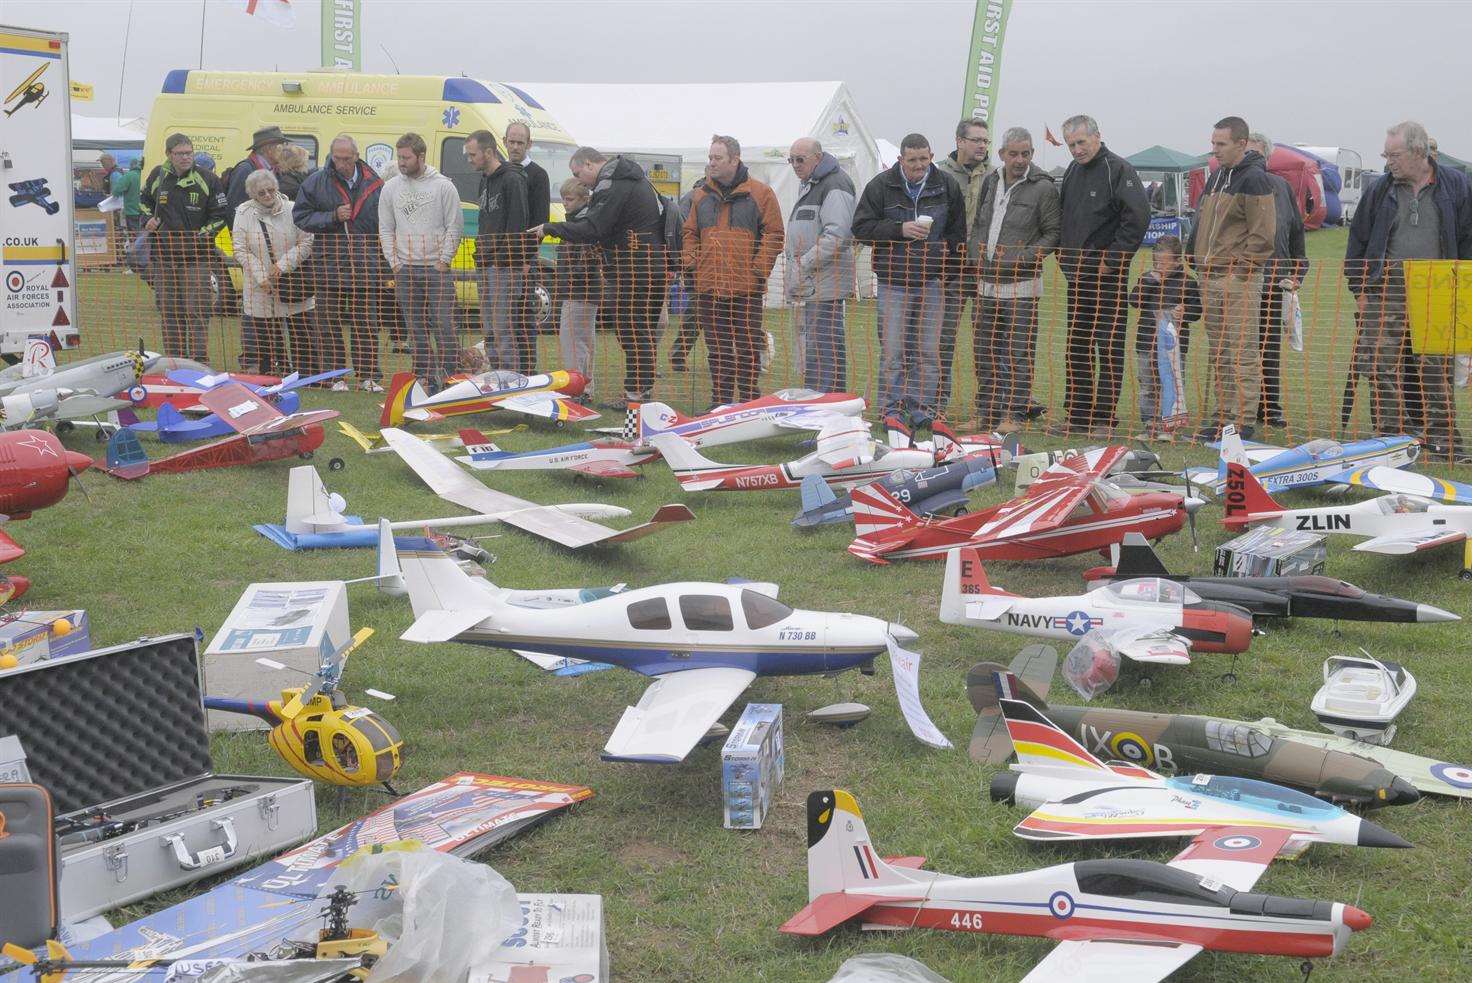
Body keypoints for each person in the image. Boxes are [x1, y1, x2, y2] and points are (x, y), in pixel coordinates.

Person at [1346, 120, 1472, 462]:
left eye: (1395, 154)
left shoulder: (1457, 185)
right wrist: (1358, 286)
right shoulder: (1379, 190)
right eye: (1386, 154)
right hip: (1385, 287)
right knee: (1379, 367)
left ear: (1419, 153)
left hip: (1439, 287)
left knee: (1436, 370)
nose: (1389, 161)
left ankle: (1444, 442)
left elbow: (1467, 238)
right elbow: (1357, 240)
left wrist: (1463, 286)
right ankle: (1389, 441)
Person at [534, 146, 665, 404]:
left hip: (635, 268)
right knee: (636, 331)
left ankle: (636, 396)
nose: (580, 181)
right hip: (646, 265)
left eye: (577, 172)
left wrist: (550, 228)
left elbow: (594, 227)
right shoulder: (630, 179)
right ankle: (638, 392)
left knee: (633, 331)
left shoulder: (612, 184)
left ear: (589, 165)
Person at [852, 132, 966, 425]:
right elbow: (861, 227)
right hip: (893, 283)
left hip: (932, 283)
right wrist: (899, 230)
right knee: (893, 353)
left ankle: (922, 411)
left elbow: (958, 235)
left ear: (931, 156)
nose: (919, 165)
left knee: (928, 352)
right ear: (900, 159)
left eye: (924, 159)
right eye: (912, 160)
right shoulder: (880, 186)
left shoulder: (947, 186)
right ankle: (891, 410)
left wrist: (944, 264)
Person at [1058, 114, 1150, 433]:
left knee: (1108, 344)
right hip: (1077, 275)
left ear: (1097, 136)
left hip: (1107, 277)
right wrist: (1064, 257)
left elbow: (1137, 218)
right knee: (1077, 345)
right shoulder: (1072, 171)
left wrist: (1112, 260)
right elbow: (1064, 216)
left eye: (1081, 142)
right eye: (1071, 144)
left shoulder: (1119, 169)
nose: (1077, 150)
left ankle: (1105, 417)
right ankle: (1078, 414)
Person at [1188, 115, 1276, 440]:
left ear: (1241, 143)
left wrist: (1241, 271)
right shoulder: (1216, 178)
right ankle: (1223, 415)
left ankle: (1242, 419)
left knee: (1241, 351)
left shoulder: (1254, 179)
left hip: (1237, 279)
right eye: (1213, 143)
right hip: (1209, 276)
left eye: (1221, 144)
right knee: (1220, 351)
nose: (1215, 150)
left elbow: (1263, 236)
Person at [682, 135, 784, 407]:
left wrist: (757, 271)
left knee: (748, 347)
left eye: (717, 158)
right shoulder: (700, 195)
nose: (711, 163)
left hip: (746, 288)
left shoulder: (761, 194)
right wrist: (692, 262)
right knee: (718, 349)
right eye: (710, 158)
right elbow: (690, 232)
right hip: (709, 286)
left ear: (734, 159)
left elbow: (774, 235)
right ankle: (721, 402)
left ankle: (749, 402)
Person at [971, 126, 1059, 432]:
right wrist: (975, 255)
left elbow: (1052, 234)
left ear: (1033, 154)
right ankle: (986, 413)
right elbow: (980, 223)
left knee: (1018, 353)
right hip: (986, 285)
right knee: (985, 351)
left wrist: (1021, 259)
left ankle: (1016, 414)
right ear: (1002, 155)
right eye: (1014, 154)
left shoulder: (1044, 187)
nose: (1020, 160)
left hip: (1022, 287)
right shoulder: (990, 181)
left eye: (1026, 153)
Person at [294, 134, 387, 392]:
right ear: (331, 155)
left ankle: (368, 376)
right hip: (328, 266)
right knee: (328, 323)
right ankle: (335, 376)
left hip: (364, 265)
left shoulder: (375, 184)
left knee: (365, 323)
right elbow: (300, 217)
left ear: (356, 156)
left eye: (347, 159)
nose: (342, 163)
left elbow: (384, 223)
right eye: (337, 158)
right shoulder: (315, 181)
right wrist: (332, 216)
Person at [378, 132, 462, 390]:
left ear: (421, 156)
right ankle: (424, 376)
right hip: (405, 269)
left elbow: (454, 225)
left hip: (436, 268)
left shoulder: (443, 186)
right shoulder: (390, 188)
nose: (402, 162)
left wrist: (444, 260)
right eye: (399, 157)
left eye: (407, 157)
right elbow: (385, 227)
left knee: (444, 324)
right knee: (415, 327)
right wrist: (394, 262)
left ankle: (449, 375)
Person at [140, 132, 228, 359]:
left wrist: (199, 237)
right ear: (169, 154)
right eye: (180, 154)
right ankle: (174, 362)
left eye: (189, 153)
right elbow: (142, 203)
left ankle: (198, 362)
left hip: (197, 260)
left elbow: (220, 216)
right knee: (169, 314)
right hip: (164, 259)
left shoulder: (208, 178)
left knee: (197, 312)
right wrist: (147, 219)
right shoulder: (157, 176)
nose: (185, 158)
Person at [784, 137, 855, 393]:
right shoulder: (811, 184)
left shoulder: (834, 185)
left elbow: (838, 236)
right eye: (791, 159)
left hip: (825, 285)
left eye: (800, 159)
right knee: (813, 349)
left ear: (818, 157)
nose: (794, 164)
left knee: (824, 349)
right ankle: (817, 402)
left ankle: (827, 404)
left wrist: (804, 263)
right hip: (812, 285)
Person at [1245, 133, 1308, 428]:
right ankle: (1241, 407)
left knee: (1269, 348)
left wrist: (1297, 272)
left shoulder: (1282, 188)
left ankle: (1270, 407)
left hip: (1274, 280)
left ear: (1267, 159)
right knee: (1240, 346)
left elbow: (1295, 233)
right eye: (1248, 153)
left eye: (1257, 154)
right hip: (1241, 281)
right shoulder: (1230, 184)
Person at [233, 169, 316, 376]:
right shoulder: (243, 213)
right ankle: (269, 372)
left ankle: (306, 373)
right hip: (258, 285)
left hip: (293, 280)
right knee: (265, 332)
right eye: (261, 193)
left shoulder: (293, 208)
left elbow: (307, 240)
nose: (268, 195)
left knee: (301, 330)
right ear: (252, 194)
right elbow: (240, 249)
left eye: (271, 190)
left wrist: (283, 265)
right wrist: (262, 276)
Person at [465, 129, 533, 374]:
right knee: (490, 327)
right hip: (484, 262)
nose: (469, 159)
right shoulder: (485, 179)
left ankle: (509, 378)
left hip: (504, 266)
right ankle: (495, 374)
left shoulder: (512, 179)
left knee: (503, 326)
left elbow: (517, 224)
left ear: (489, 152)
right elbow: (485, 220)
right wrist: (480, 255)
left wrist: (502, 258)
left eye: (473, 154)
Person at [935, 118, 991, 411]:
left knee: (986, 342)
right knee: (942, 339)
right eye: (976, 139)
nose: (982, 145)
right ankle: (938, 401)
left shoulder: (995, 175)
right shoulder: (940, 174)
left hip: (985, 270)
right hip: (949, 271)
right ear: (959, 141)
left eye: (985, 140)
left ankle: (988, 406)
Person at [1128, 235, 1202, 435]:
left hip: (1175, 347)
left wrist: (1184, 311)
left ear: (1178, 261)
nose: (1160, 266)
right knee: (1148, 383)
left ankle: (1170, 420)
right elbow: (1134, 300)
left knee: (1173, 382)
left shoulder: (1188, 282)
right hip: (1146, 342)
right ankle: (1150, 421)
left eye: (1165, 262)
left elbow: (1197, 312)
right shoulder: (1147, 278)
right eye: (1157, 261)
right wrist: (1151, 281)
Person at [505, 121, 551, 364]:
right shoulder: (499, 172)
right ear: (504, 142)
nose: (515, 147)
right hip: (500, 260)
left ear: (529, 144)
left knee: (523, 318)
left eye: (520, 142)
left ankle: (527, 370)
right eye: (511, 141)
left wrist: (526, 258)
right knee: (503, 319)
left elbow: (539, 223)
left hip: (524, 260)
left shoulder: (538, 175)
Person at [554, 177, 602, 400]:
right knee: (585, 342)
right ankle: (586, 388)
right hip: (586, 292)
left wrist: (569, 276)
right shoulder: (583, 222)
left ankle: (576, 389)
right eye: (563, 198)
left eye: (570, 198)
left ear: (584, 199)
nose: (565, 203)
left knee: (573, 341)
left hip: (579, 291)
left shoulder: (580, 226)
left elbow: (586, 262)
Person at [667, 177, 703, 372]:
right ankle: (678, 354)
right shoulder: (694, 199)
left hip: (706, 265)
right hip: (695, 266)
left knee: (702, 312)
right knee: (698, 311)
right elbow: (683, 232)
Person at [225, 126, 287, 230]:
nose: (284, 151)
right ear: (268, 149)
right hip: (252, 236)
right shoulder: (245, 170)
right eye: (281, 147)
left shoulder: (275, 171)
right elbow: (234, 209)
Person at [110, 157, 143, 238]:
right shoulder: (147, 174)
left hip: (132, 212)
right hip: (146, 213)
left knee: (134, 238)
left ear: (131, 165)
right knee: (145, 239)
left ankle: (135, 250)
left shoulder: (129, 176)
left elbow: (116, 191)